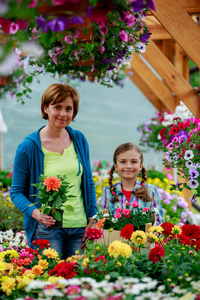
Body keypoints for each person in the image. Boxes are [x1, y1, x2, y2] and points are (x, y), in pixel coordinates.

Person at [11, 83, 97, 259]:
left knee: (79, 280)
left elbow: (88, 181)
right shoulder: (28, 147)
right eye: (57, 107)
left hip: (79, 228)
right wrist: (37, 214)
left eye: (69, 108)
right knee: (51, 280)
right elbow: (16, 192)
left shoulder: (79, 139)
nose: (63, 114)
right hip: (47, 229)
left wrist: (92, 219)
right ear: (46, 108)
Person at [100, 143, 164, 225]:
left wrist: (154, 234)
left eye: (134, 162)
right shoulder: (107, 192)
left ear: (140, 166)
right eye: (123, 162)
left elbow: (159, 222)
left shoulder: (150, 190)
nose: (128, 166)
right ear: (116, 166)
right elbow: (101, 223)